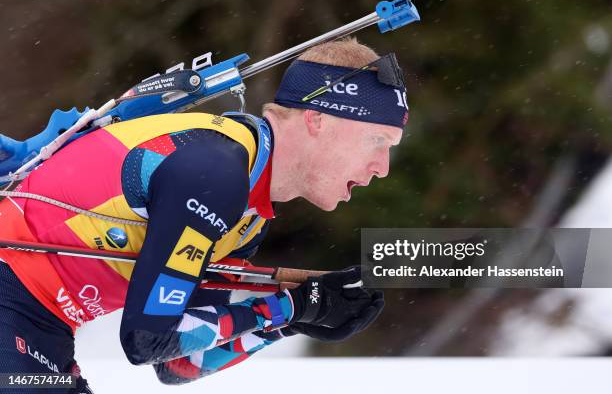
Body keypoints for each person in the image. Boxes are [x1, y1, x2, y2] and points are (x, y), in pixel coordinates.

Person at [0, 37, 408, 391]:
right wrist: (289, 308)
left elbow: (178, 365)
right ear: (319, 119)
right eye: (377, 140)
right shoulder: (216, 172)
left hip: (38, 325)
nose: (383, 167)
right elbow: (147, 339)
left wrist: (294, 318)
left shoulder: (248, 210)